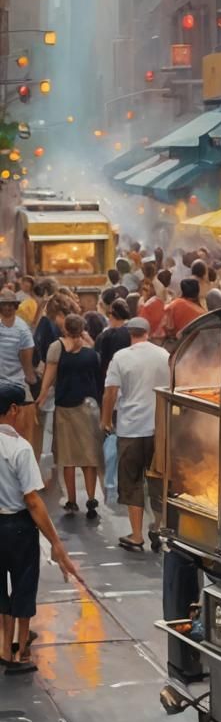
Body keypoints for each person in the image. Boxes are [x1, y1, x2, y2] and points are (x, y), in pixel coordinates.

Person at [0, 380, 81, 674]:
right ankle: (20, 653)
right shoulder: (20, 449)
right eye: (22, 409)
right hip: (18, 527)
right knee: (23, 585)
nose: (24, 415)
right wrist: (56, 543)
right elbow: (33, 501)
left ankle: (3, 647)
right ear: (12, 410)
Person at [102, 316, 170, 553]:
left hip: (130, 429)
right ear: (148, 332)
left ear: (129, 334)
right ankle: (158, 527)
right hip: (158, 429)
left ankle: (136, 535)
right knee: (158, 480)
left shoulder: (120, 357)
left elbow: (110, 392)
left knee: (131, 482)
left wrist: (105, 420)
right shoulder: (164, 356)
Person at [36, 313, 103, 517]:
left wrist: (41, 396)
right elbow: (98, 380)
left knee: (68, 457)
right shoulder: (91, 354)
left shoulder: (56, 348)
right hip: (87, 408)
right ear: (82, 329)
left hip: (65, 407)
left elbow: (49, 375)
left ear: (65, 328)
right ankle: (91, 499)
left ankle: (72, 501)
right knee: (89, 456)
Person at [0, 288, 35, 445]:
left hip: (17, 384)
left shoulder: (22, 329)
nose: (7, 308)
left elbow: (27, 360)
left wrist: (31, 379)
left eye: (10, 305)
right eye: (4, 304)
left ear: (15, 306)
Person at [95, 298, 131, 396]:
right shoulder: (133, 333)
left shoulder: (105, 336)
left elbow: (101, 361)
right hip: (130, 380)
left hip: (110, 382)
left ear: (111, 315)